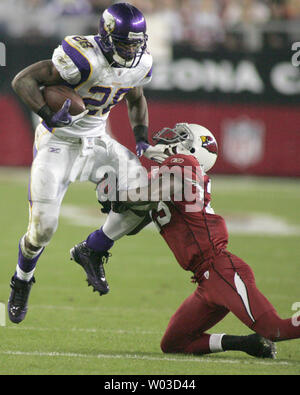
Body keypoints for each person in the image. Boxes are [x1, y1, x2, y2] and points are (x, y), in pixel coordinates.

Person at [71, 123, 300, 358]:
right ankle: (248, 344)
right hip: (205, 278)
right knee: (174, 344)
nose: (170, 139)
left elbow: (153, 193)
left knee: (275, 329)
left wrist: (119, 195)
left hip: (220, 269)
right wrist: (120, 203)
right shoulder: (168, 175)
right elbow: (134, 224)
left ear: (192, 150)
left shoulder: (184, 166)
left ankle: (262, 337)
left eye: (181, 137)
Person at [8, 2, 154, 324]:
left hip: (98, 142)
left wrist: (142, 139)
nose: (131, 50)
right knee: (42, 230)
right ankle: (22, 278)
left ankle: (93, 249)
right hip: (58, 144)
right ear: (106, 36)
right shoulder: (83, 56)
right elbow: (22, 81)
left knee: (146, 196)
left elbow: (136, 97)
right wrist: (49, 116)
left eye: (136, 43)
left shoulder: (139, 63)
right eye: (125, 42)